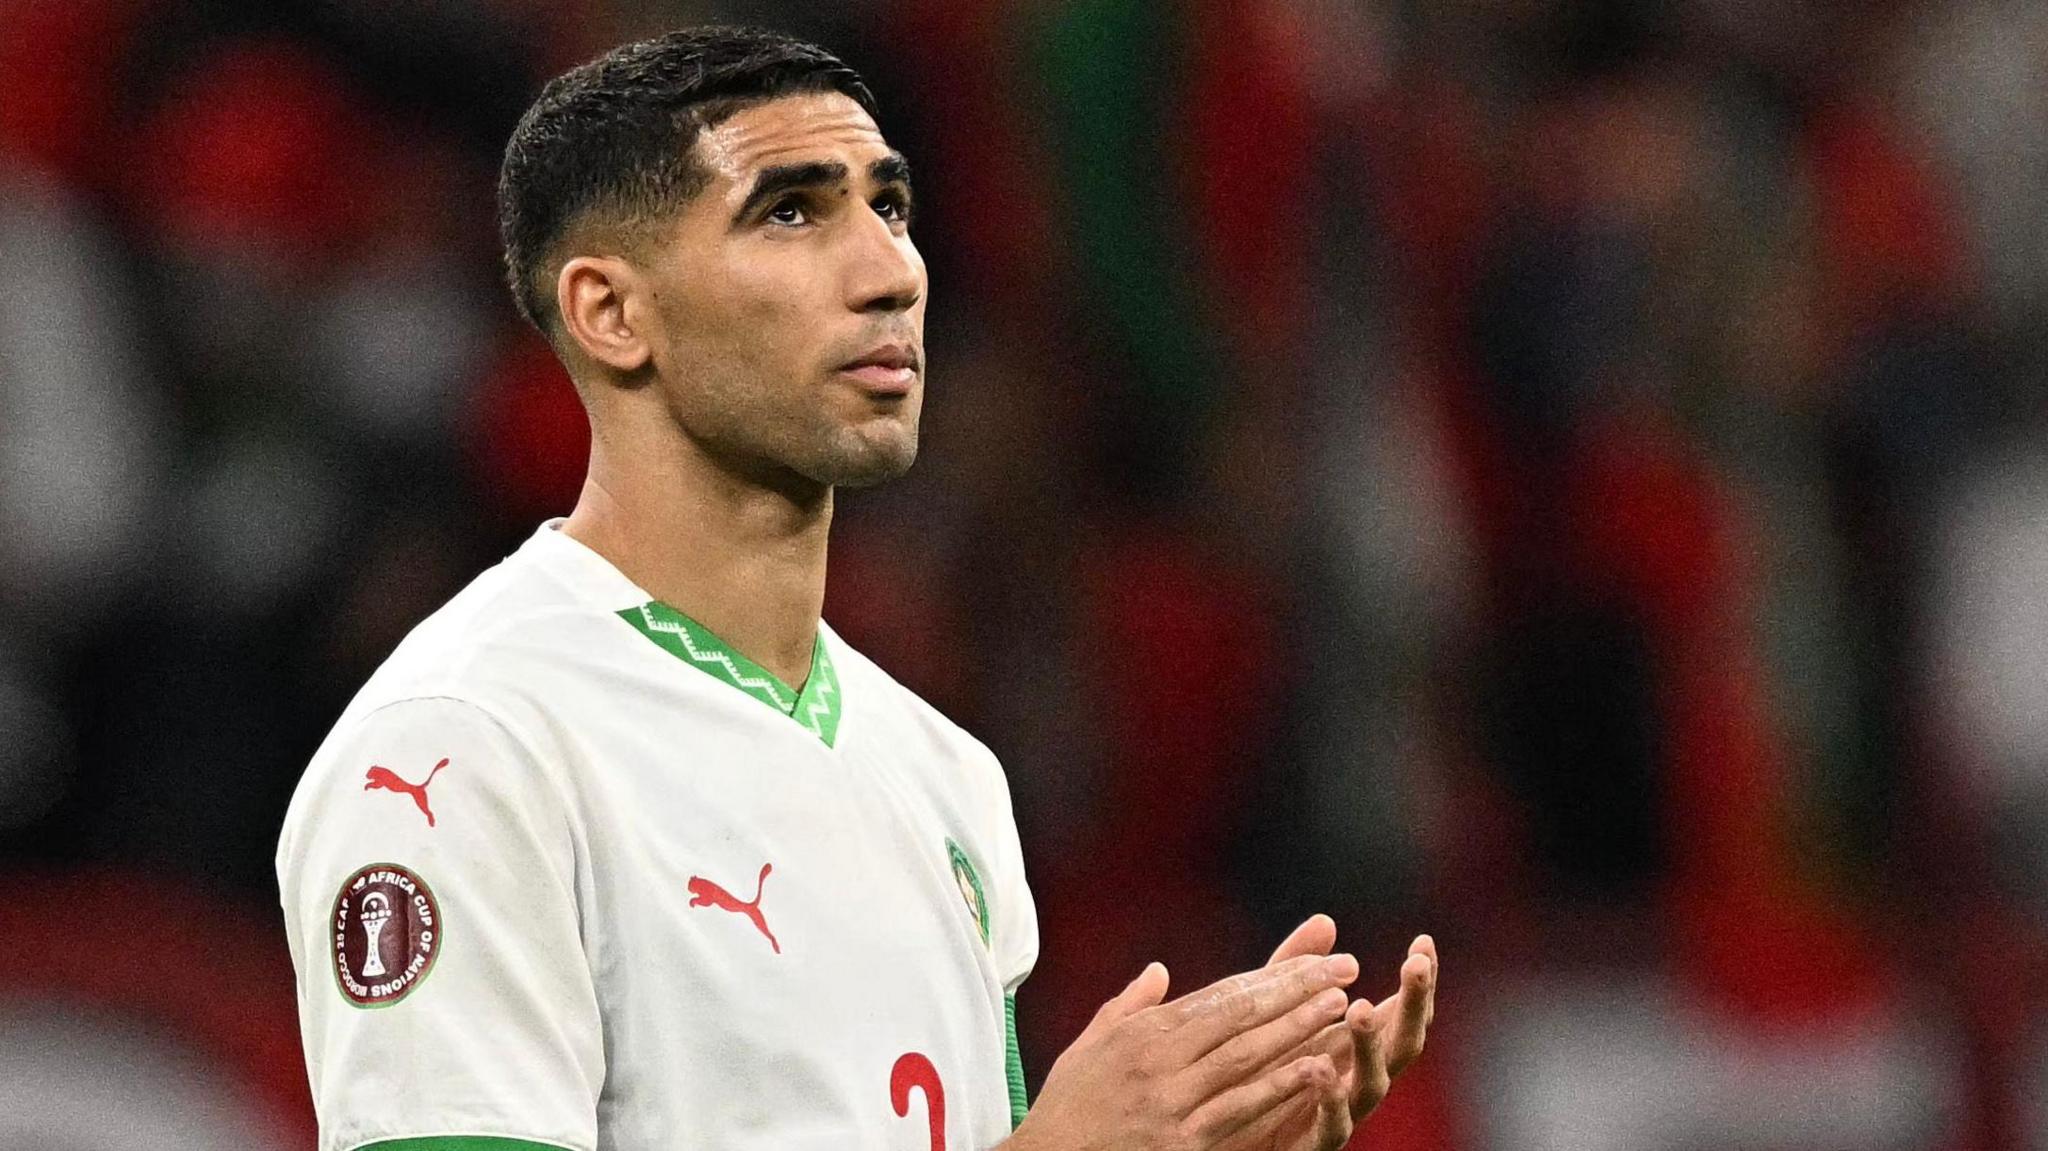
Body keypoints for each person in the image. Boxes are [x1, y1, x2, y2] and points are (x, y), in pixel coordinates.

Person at [275, 25, 1437, 1151]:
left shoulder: (942, 774)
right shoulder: (462, 751)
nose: (888, 273)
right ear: (611, 312)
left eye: (888, 207)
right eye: (789, 212)